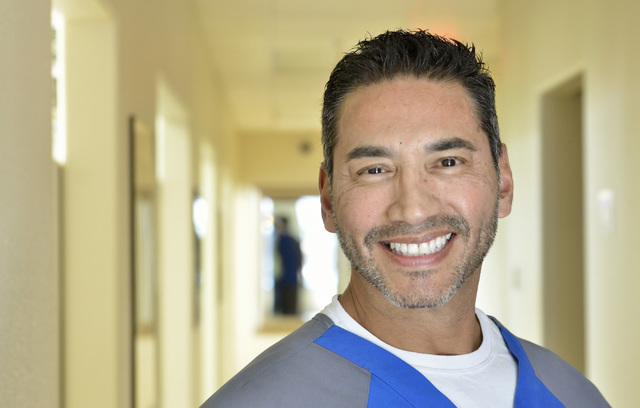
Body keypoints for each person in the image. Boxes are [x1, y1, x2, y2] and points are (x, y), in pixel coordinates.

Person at [201, 29, 609, 407]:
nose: (413, 209)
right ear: (328, 200)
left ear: (503, 181)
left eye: (448, 162)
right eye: (375, 169)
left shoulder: (572, 394)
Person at [273, 215, 302, 315]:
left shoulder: (286, 240)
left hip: (287, 279)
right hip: (288, 278)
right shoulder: (288, 239)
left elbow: (298, 259)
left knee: (288, 309)